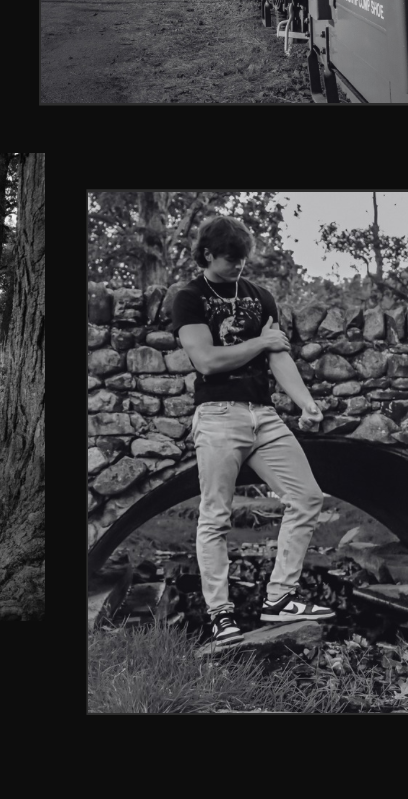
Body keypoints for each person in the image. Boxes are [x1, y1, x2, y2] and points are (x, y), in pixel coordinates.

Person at [170, 215, 333, 645]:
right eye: (230, 259)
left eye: (243, 259)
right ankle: (221, 613)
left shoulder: (261, 296)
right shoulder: (188, 297)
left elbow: (279, 356)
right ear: (207, 254)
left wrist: (305, 403)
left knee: (307, 496)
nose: (239, 266)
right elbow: (205, 360)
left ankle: (279, 598)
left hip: (264, 414)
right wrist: (260, 342)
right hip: (218, 416)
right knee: (216, 515)